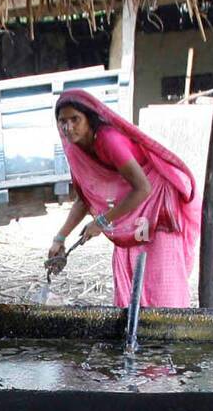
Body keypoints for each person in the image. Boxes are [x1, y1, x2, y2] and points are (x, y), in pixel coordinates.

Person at [49, 90, 203, 308]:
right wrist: (60, 238)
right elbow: (84, 199)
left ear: (89, 118)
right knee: (128, 263)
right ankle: (134, 324)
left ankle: (167, 323)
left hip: (157, 201)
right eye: (62, 121)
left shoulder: (109, 140)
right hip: (132, 207)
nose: (68, 127)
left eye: (75, 119)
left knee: (160, 271)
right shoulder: (77, 150)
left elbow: (143, 188)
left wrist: (102, 222)